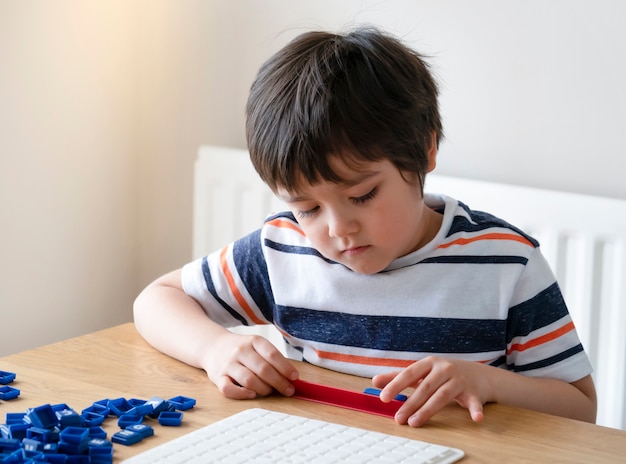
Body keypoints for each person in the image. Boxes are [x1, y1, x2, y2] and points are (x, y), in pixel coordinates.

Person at [134, 27, 597, 427]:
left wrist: (489, 383)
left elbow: (580, 410)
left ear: (425, 150)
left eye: (362, 196)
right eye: (308, 208)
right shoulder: (283, 252)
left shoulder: (506, 263)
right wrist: (215, 349)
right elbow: (156, 300)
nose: (338, 229)